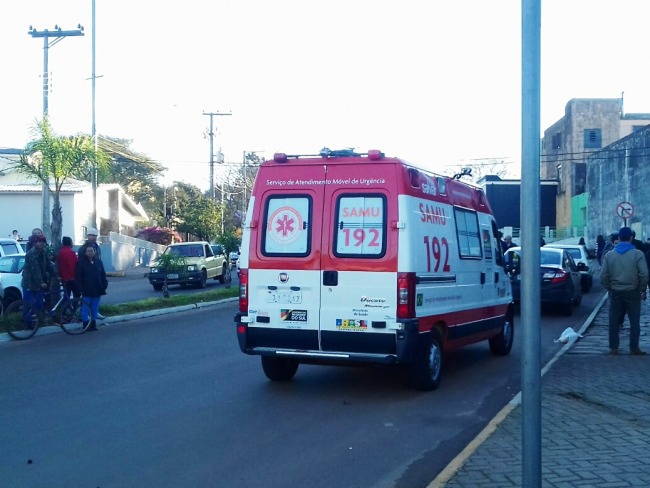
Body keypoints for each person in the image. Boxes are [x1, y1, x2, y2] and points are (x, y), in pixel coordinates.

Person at [600, 226, 649, 355]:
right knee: (634, 322)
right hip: (632, 291)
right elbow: (644, 274)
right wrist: (642, 289)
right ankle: (634, 347)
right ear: (631, 238)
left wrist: (610, 288)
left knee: (614, 321)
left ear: (619, 238)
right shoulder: (638, 254)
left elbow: (603, 276)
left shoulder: (609, 255)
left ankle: (614, 347)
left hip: (616, 291)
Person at [21, 235, 56, 322]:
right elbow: (35, 269)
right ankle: (27, 323)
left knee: (39, 303)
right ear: (35, 243)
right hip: (29, 283)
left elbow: (48, 265)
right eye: (40, 242)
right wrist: (41, 282)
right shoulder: (31, 253)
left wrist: (56, 275)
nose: (42, 244)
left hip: (38, 284)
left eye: (43, 242)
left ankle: (38, 320)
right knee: (28, 304)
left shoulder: (43, 252)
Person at [75, 244, 108, 331]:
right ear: (85, 253)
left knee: (94, 308)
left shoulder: (99, 262)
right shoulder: (81, 263)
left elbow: (103, 275)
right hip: (86, 289)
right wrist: (80, 289)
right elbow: (78, 277)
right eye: (88, 251)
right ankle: (86, 325)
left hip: (97, 289)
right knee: (85, 309)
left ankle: (93, 325)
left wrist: (104, 285)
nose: (90, 253)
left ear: (94, 252)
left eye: (92, 251)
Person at [57, 236, 79, 300]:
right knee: (76, 295)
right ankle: (74, 309)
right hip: (71, 278)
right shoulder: (70, 252)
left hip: (63, 277)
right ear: (70, 242)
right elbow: (74, 266)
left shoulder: (61, 252)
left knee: (66, 296)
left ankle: (64, 309)